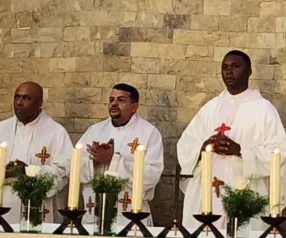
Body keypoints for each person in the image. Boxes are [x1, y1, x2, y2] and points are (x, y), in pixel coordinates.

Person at [177, 50, 286, 230]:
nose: (228, 71)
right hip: (207, 190)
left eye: (235, 66)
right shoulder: (210, 108)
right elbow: (186, 144)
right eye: (224, 67)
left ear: (249, 72)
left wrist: (241, 151)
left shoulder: (263, 109)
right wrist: (204, 147)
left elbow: (279, 153)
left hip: (246, 191)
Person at [77, 84, 164, 226]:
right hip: (94, 213)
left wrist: (114, 161)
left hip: (130, 216)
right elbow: (73, 167)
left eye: (121, 100)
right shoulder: (94, 131)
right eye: (111, 100)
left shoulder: (149, 133)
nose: (114, 104)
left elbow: (152, 175)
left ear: (134, 107)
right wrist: (94, 162)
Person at [0, 82, 72, 222]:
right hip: (5, 207)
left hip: (40, 207)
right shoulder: (2, 129)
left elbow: (64, 171)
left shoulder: (56, 133)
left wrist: (28, 172)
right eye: (17, 97)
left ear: (39, 103)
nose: (19, 102)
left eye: (26, 98)